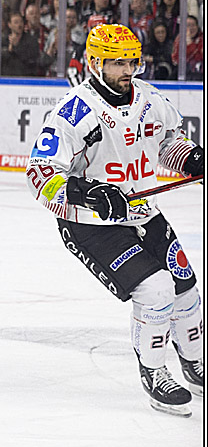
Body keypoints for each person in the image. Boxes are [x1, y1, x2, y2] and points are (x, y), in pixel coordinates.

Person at [25, 23, 204, 417]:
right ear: (94, 62)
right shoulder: (75, 111)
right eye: (117, 62)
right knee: (156, 290)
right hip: (91, 224)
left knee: (186, 289)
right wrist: (89, 192)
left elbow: (168, 145)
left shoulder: (150, 99)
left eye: (132, 61)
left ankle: (194, 361)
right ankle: (155, 372)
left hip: (143, 212)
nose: (127, 70)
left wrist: (191, 158)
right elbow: (40, 173)